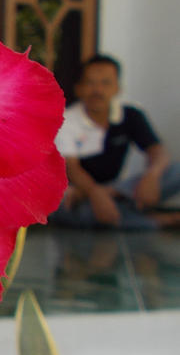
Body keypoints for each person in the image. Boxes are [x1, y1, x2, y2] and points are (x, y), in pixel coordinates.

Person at [50, 54, 180, 229]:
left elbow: (157, 151)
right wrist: (95, 193)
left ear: (117, 88)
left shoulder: (130, 115)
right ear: (79, 88)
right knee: (67, 210)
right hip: (78, 194)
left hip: (117, 190)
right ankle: (162, 221)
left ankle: (125, 212)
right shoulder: (66, 120)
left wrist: (152, 175)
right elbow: (72, 169)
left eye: (105, 83)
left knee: (176, 171)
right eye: (90, 83)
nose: (97, 90)